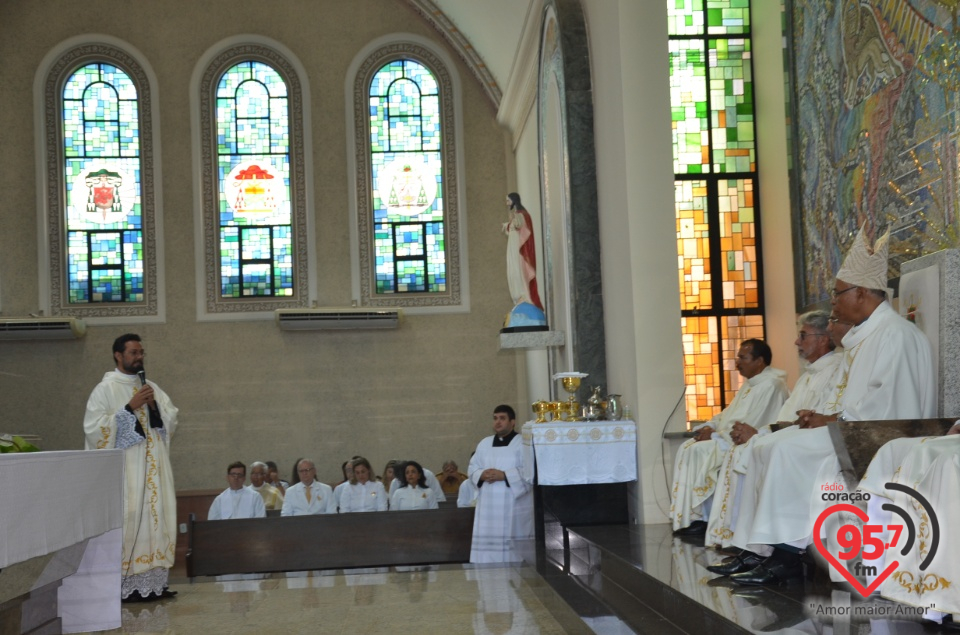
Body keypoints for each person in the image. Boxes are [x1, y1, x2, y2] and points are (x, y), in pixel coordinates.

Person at [728, 226, 935, 587]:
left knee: (786, 450)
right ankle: (767, 549)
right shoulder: (867, 337)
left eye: (838, 295)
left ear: (860, 294)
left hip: (881, 440)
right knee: (773, 445)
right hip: (856, 430)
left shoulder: (895, 336)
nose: (834, 303)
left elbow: (890, 408)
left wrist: (832, 419)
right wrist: (827, 417)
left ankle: (786, 555)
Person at [705, 311, 841, 553]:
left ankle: (770, 548)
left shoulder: (836, 370)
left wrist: (760, 433)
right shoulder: (808, 376)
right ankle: (743, 543)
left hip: (816, 441)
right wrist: (759, 432)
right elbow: (785, 419)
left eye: (802, 336)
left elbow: (812, 419)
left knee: (764, 448)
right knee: (748, 449)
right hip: (793, 435)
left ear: (823, 338)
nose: (797, 342)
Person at [83, 333, 179, 602]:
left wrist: (154, 406)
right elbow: (94, 430)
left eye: (141, 352)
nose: (139, 357)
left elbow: (170, 421)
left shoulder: (152, 387)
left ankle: (155, 584)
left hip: (155, 472)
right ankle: (127, 586)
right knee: (131, 519)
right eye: (134, 353)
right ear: (118, 355)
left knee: (156, 520)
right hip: (128, 473)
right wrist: (129, 408)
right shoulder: (105, 389)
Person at [669, 339, 789, 536]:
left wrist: (716, 435)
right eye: (738, 357)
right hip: (725, 438)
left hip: (744, 442)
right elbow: (728, 414)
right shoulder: (750, 384)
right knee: (688, 447)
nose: (737, 362)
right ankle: (695, 517)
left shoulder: (772, 386)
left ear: (759, 361)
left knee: (699, 450)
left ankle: (705, 518)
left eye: (743, 357)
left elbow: (755, 423)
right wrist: (710, 426)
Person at [468, 405, 533, 563]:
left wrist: (504, 475)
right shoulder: (484, 443)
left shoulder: (522, 443)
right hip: (488, 507)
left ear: (512, 422)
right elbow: (472, 467)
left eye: (502, 418)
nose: (498, 422)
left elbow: (530, 471)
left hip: (511, 503)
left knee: (511, 554)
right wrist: (481, 474)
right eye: (495, 418)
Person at [502, 192, 542, 311]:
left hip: (518, 247)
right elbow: (513, 228)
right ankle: (519, 297)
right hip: (513, 245)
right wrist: (508, 225)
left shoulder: (521, 214)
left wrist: (513, 222)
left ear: (514, 201)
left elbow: (522, 227)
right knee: (513, 269)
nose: (507, 203)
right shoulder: (516, 214)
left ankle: (523, 295)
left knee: (518, 269)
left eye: (508, 200)